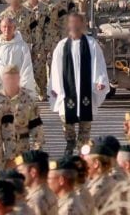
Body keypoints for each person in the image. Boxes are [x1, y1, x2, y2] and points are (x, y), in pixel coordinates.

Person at [48, 12, 109, 156]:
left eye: (77, 22)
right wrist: (55, 87)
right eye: (72, 22)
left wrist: (100, 80)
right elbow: (55, 68)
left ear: (82, 24)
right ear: (68, 25)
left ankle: (83, 148)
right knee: (66, 119)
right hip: (67, 89)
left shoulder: (91, 44)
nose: (74, 25)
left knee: (85, 121)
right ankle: (69, 143)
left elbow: (99, 63)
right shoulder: (62, 46)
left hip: (86, 89)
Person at [0, 17, 36, 95]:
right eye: (4, 27)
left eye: (10, 27)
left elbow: (27, 68)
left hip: (14, 90)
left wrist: (23, 88)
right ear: (0, 28)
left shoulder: (22, 47)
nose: (7, 29)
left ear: (14, 28)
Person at [1, 65, 45, 151]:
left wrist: (37, 150)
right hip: (1, 153)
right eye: (8, 78)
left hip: (22, 150)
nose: (10, 81)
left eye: (13, 78)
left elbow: (37, 127)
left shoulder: (28, 100)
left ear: (19, 79)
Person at [15, 150, 57, 215]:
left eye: (21, 171)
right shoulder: (52, 192)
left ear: (32, 172)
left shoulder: (34, 202)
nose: (18, 175)